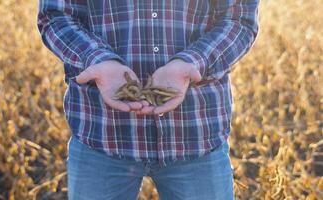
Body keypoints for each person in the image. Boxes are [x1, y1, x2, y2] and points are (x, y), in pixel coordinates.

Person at [37, 0, 259, 199]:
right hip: (101, 130)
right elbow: (56, 14)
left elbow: (239, 17)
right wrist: (98, 59)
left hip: (195, 132)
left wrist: (193, 62)